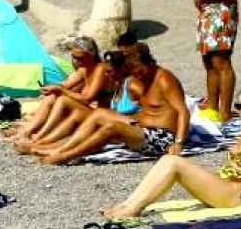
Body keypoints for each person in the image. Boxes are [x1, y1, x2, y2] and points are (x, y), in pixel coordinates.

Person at [102, 77, 241, 219]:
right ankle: (128, 205)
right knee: (168, 160)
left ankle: (132, 209)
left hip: (238, 195)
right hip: (227, 187)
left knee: (173, 163)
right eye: (239, 105)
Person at [35, 43, 191, 165]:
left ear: (148, 62)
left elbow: (183, 111)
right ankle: (60, 148)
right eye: (131, 69)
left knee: (111, 128)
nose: (135, 73)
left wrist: (178, 143)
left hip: (162, 137)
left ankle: (65, 156)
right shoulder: (140, 79)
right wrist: (134, 118)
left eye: (137, 68)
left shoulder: (164, 79)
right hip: (142, 126)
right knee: (99, 114)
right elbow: (148, 108)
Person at [2, 34, 106, 146]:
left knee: (62, 100)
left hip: (98, 113)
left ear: (91, 55)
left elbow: (87, 99)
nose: (76, 61)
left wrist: (61, 91)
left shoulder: (99, 69)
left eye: (79, 58)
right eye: (73, 57)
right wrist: (52, 88)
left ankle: (37, 137)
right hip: (88, 110)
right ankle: (27, 132)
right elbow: (65, 85)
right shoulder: (84, 69)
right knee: (51, 97)